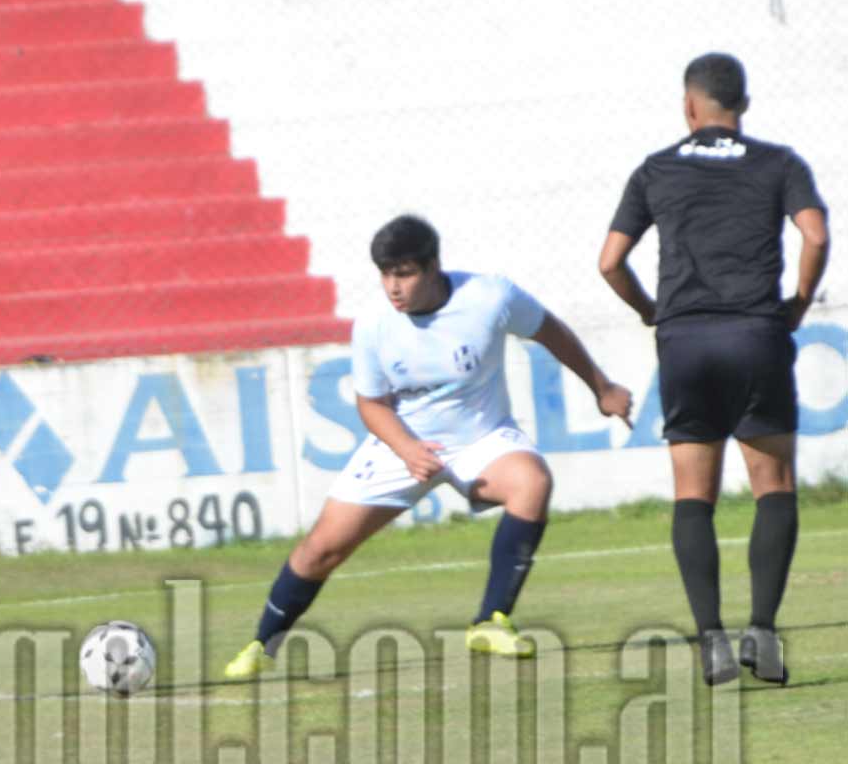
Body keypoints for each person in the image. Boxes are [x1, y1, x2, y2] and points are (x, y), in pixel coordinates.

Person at [224, 214, 633, 679]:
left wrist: (602, 387)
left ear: (433, 267)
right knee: (321, 550)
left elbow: (550, 331)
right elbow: (371, 404)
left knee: (532, 482)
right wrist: (406, 449)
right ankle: (262, 645)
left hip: (482, 438)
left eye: (404, 274)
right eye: (385, 275)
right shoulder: (374, 324)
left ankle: (490, 620)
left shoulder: (490, 297)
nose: (393, 287)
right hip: (402, 443)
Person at [598, 52, 830, 686]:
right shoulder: (779, 163)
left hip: (686, 341)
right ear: (743, 105)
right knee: (773, 486)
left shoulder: (656, 168)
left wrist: (652, 312)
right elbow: (814, 235)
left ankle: (711, 643)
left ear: (688, 106)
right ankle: (764, 633)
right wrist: (798, 302)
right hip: (757, 334)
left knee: (693, 496)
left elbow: (610, 261)